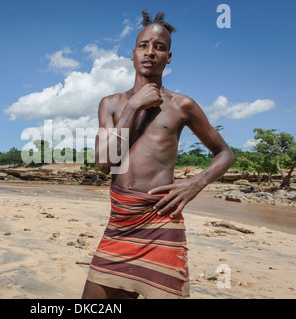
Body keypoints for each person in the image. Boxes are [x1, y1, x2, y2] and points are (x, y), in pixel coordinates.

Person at [82, 10, 235, 299]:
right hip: (120, 224)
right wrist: (134, 106)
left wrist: (195, 184)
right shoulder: (111, 104)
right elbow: (104, 163)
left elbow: (225, 153)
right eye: (143, 45)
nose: (150, 52)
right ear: (132, 54)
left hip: (161, 221)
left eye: (159, 47)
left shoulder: (182, 105)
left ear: (168, 57)